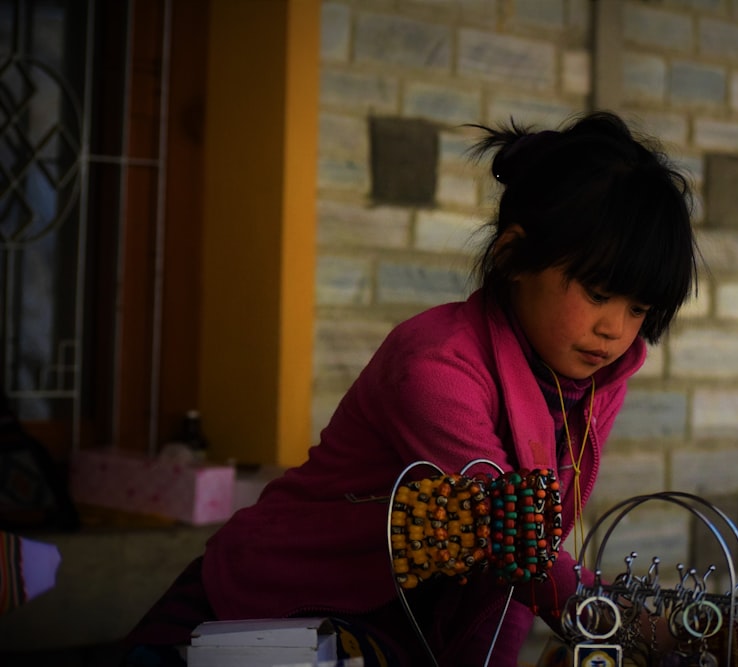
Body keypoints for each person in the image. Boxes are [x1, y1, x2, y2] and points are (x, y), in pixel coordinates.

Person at [124, 110, 698, 666]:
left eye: (638, 308)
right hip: (270, 615)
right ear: (513, 255)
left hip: (396, 630)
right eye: (598, 293)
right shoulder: (436, 368)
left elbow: (519, 567)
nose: (615, 329)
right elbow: (517, 552)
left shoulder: (592, 379)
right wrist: (650, 628)